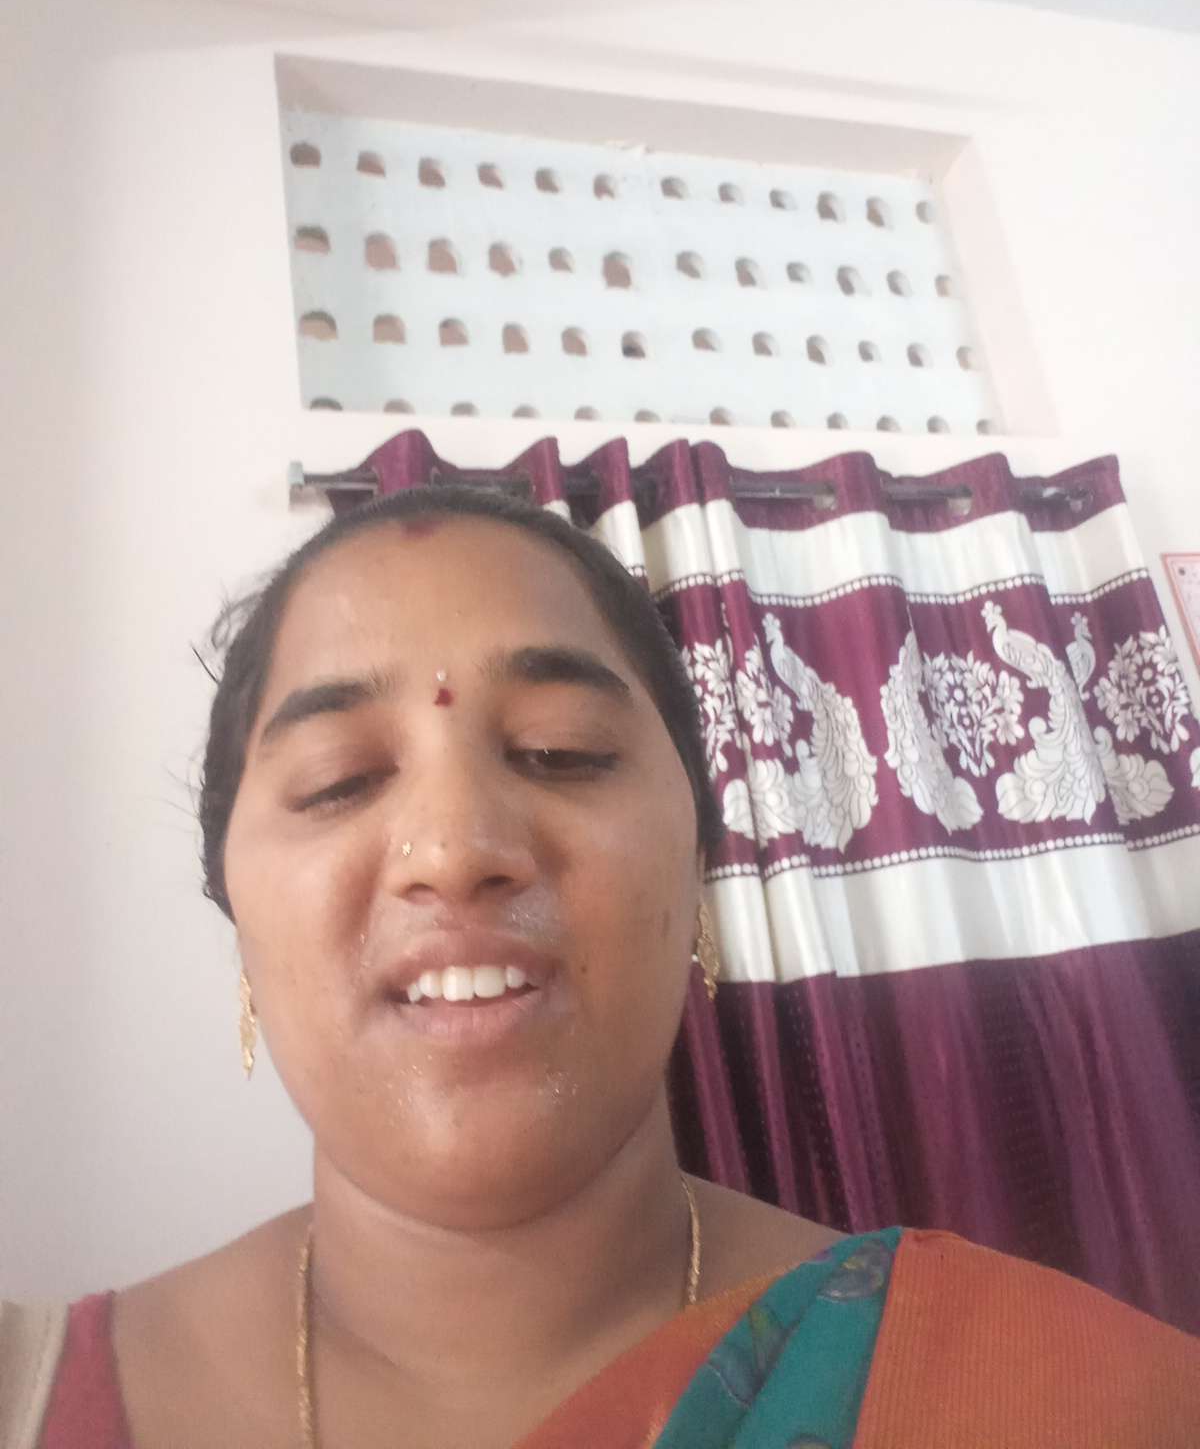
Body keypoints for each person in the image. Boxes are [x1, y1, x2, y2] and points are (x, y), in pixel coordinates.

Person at [2, 486, 1198, 1449]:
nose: (454, 848)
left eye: (560, 751)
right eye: (339, 780)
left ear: (699, 869)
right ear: (239, 922)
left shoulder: (1074, 1401)